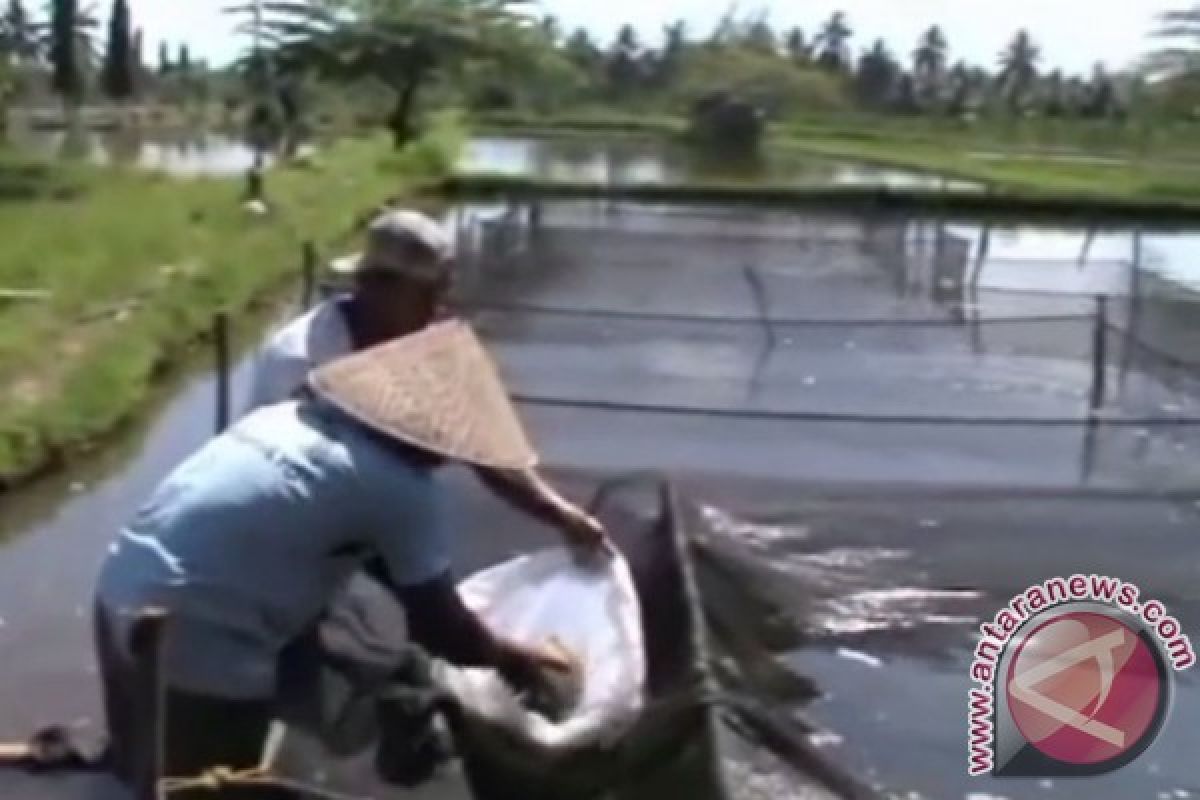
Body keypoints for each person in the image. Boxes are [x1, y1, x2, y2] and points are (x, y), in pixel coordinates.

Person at [93, 321, 596, 782]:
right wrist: (514, 661)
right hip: (200, 633)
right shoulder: (400, 489)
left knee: (142, 769)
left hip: (119, 595)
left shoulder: (286, 418)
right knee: (213, 787)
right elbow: (440, 628)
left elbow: (367, 561)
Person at [245, 207, 606, 553]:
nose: (437, 308)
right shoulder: (300, 363)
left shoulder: (423, 344)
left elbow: (485, 448)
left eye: (441, 293)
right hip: (284, 537)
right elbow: (276, 485)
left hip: (362, 529)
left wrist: (561, 514)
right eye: (428, 295)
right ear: (376, 286)